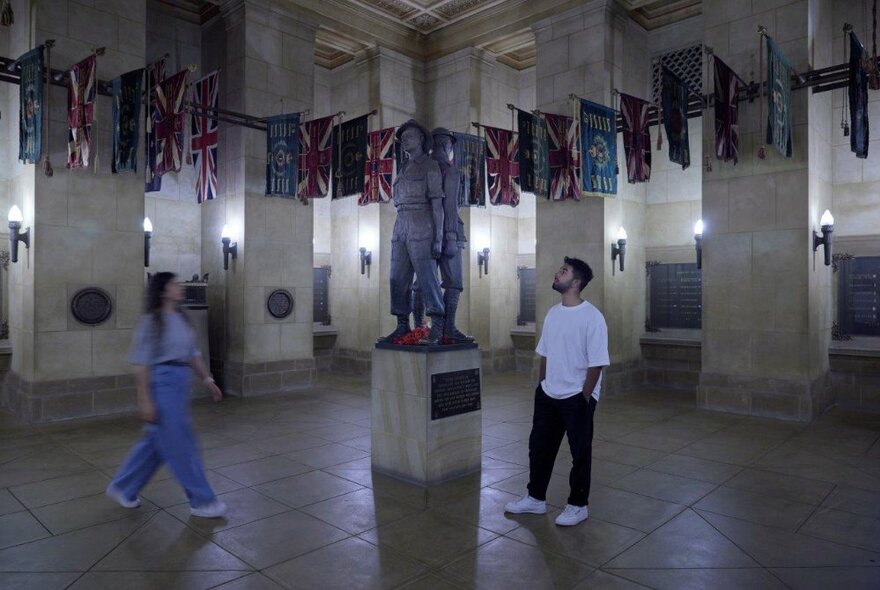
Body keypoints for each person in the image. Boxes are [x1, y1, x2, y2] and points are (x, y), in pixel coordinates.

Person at [106, 272, 227, 519]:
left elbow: (193, 354)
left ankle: (124, 487)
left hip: (180, 383)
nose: (179, 287)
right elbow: (141, 364)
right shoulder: (151, 322)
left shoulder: (182, 319)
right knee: (181, 444)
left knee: (156, 444)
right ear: (162, 290)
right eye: (174, 284)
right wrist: (145, 399)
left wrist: (208, 380)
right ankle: (202, 501)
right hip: (161, 383)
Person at [504, 257, 609, 526]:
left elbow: (596, 363)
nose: (556, 273)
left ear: (575, 282)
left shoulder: (593, 317)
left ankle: (578, 504)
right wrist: (542, 387)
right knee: (539, 448)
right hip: (549, 394)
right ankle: (535, 498)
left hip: (577, 397)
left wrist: (584, 397)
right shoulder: (553, 314)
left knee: (580, 452)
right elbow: (545, 355)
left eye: (563, 271)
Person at [380, 120, 446, 345]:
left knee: (427, 277)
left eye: (410, 136)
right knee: (396, 277)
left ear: (421, 140)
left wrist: (438, 238)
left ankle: (437, 324)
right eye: (403, 137)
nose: (405, 140)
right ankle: (401, 325)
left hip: (422, 222)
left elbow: (437, 204)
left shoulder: (430, 166)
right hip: (401, 223)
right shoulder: (404, 168)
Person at [431, 127, 472, 343]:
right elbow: (449, 205)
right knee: (453, 283)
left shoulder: (423, 169)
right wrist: (450, 235)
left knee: (423, 283)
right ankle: (447, 329)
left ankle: (421, 327)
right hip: (451, 231)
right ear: (447, 145)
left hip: (425, 233)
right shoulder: (449, 170)